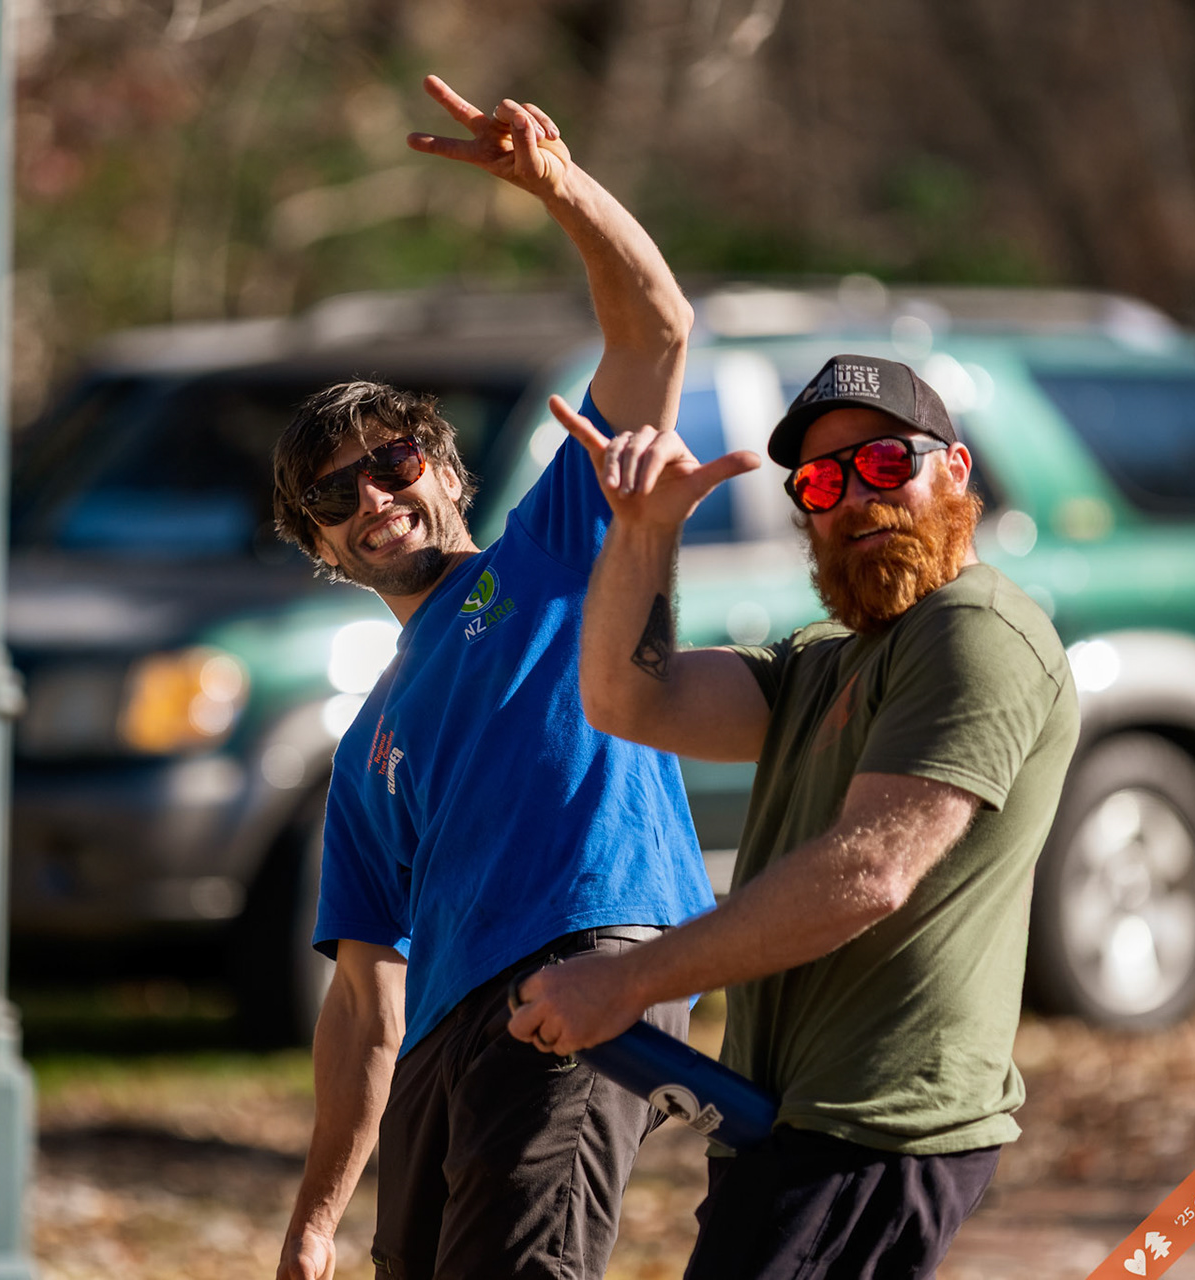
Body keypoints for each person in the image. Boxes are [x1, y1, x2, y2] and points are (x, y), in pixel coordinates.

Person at [270, 75, 715, 1280]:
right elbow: (366, 1001)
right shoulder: (368, 743)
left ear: (448, 470)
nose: (373, 495)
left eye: (394, 458)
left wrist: (557, 188)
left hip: (586, 959)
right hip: (453, 1033)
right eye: (333, 494)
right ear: (316, 546)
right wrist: (315, 1216)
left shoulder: (555, 547)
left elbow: (658, 329)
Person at [510, 355, 1080, 1279]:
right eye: (821, 482)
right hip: (785, 1124)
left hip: (872, 1128)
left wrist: (627, 984)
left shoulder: (976, 629)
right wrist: (646, 533)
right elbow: (627, 699)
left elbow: (869, 873)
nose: (854, 497)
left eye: (885, 464)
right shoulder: (826, 660)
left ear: (957, 471)